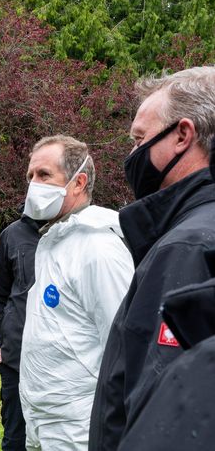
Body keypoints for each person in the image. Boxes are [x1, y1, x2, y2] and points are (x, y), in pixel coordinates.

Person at [89, 66, 215, 451]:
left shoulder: (187, 246)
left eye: (140, 139)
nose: (133, 155)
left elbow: (165, 414)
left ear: (182, 135)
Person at [19, 135, 134, 450]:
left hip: (78, 425)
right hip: (42, 416)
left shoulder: (100, 248)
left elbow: (123, 344)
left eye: (44, 175)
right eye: (30, 176)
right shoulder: (54, 240)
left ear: (78, 182)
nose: (33, 185)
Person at [0, 213, 43, 451]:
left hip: (59, 359)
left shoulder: (78, 234)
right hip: (15, 357)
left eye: (45, 174)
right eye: (33, 175)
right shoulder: (12, 234)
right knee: (15, 436)